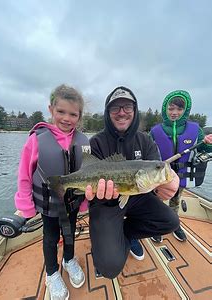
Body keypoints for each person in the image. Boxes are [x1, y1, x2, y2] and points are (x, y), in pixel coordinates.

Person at [84, 86, 180, 279]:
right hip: (105, 203)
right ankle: (107, 239)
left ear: (135, 111)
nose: (122, 113)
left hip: (138, 197)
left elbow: (157, 172)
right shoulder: (94, 142)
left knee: (170, 221)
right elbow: (86, 173)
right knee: (109, 268)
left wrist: (171, 182)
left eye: (127, 107)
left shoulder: (145, 141)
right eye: (115, 108)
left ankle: (127, 234)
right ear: (107, 112)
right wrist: (93, 193)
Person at [15, 84, 90, 300]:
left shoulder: (84, 143)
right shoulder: (36, 140)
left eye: (73, 114)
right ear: (51, 109)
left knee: (70, 233)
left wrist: (84, 202)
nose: (67, 118)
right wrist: (25, 204)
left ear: (79, 116)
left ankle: (69, 259)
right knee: (50, 238)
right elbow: (24, 175)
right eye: (61, 112)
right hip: (48, 206)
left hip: (73, 203)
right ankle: (52, 272)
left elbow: (88, 173)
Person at [150, 90, 212, 243]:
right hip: (161, 175)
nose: (174, 113)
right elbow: (148, 153)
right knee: (158, 201)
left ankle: (174, 224)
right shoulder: (155, 131)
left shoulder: (195, 130)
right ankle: (157, 224)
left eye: (179, 109)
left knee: (175, 202)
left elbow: (204, 149)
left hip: (182, 175)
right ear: (165, 109)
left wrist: (208, 144)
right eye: (171, 109)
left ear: (185, 111)